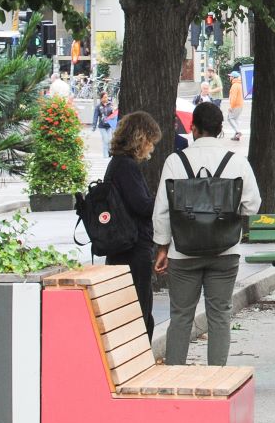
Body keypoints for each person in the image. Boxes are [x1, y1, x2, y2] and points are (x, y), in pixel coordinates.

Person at [153, 102, 261, 366]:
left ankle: (175, 376)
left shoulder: (175, 162)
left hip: (182, 252)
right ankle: (217, 377)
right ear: (221, 129)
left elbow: (161, 211)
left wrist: (162, 248)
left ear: (193, 128)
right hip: (224, 252)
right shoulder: (237, 162)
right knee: (220, 315)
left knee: (181, 316)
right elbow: (252, 206)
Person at [105, 111, 162, 341]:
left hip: (123, 246)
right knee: (140, 310)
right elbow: (141, 206)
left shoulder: (118, 164)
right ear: (141, 138)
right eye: (150, 142)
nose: (151, 148)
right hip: (132, 247)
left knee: (135, 309)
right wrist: (162, 200)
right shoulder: (126, 167)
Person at [92, 92, 114, 158]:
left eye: (107, 97)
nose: (106, 98)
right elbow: (95, 116)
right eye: (104, 97)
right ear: (101, 98)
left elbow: (113, 115)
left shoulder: (110, 105)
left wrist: (113, 110)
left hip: (109, 126)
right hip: (102, 126)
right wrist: (94, 125)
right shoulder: (98, 107)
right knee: (105, 140)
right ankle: (105, 156)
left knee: (110, 140)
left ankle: (109, 154)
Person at [227, 71, 244, 141]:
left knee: (230, 118)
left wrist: (231, 106)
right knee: (235, 119)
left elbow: (233, 97)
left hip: (235, 105)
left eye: (230, 76)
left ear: (233, 77)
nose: (229, 77)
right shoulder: (239, 84)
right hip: (240, 104)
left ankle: (238, 131)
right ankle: (237, 136)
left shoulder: (234, 86)